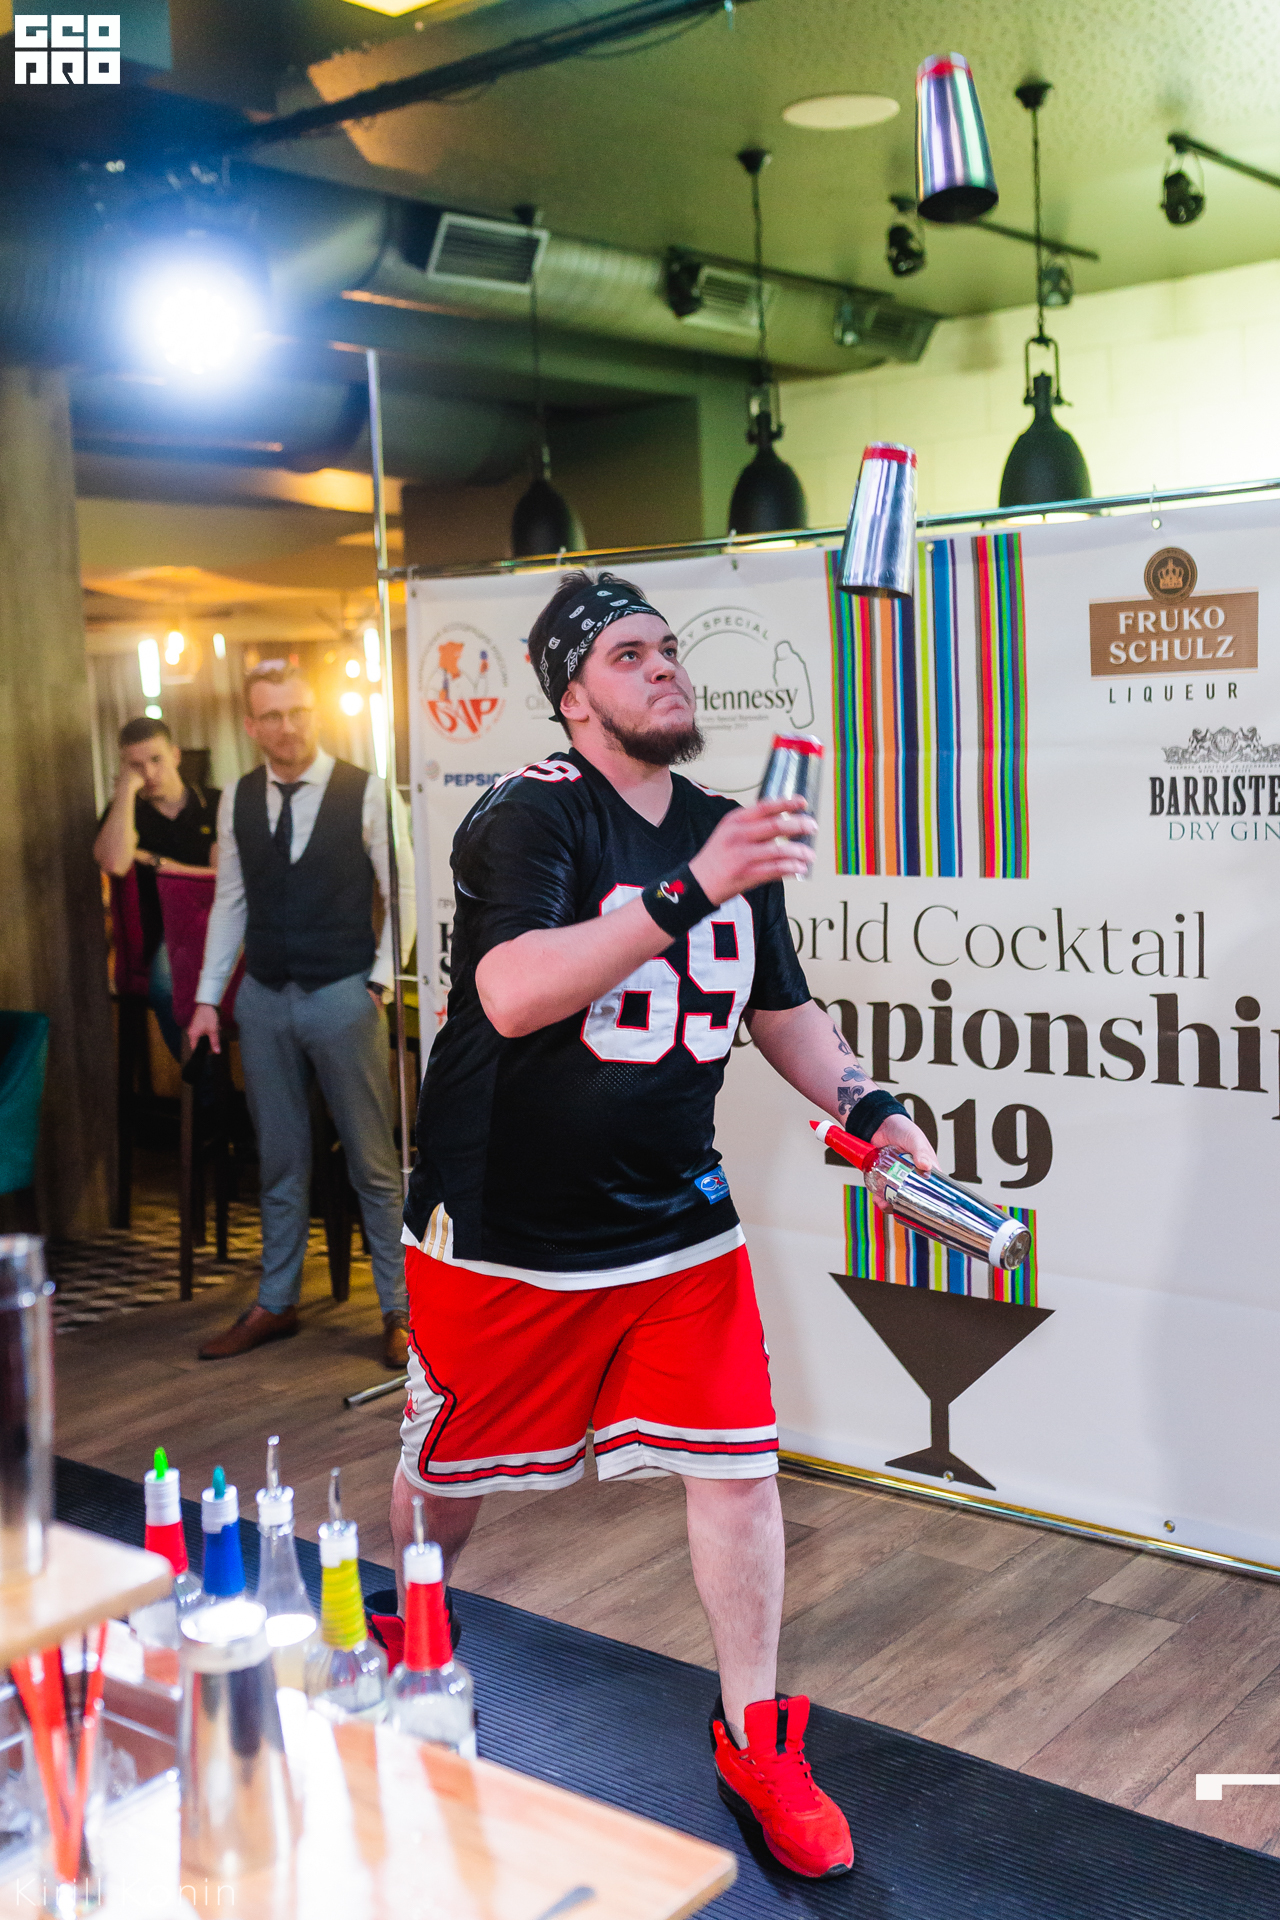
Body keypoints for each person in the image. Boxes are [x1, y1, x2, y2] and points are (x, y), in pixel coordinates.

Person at [385, 572, 937, 1878]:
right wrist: (689, 889)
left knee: (738, 1469)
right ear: (572, 694)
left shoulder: (716, 830)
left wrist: (871, 1106)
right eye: (629, 654)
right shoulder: (527, 814)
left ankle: (754, 1734)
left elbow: (780, 1007)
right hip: (507, 1224)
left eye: (670, 648)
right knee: (449, 1480)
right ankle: (405, 1645)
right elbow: (512, 992)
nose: (665, 667)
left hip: (675, 1219)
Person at [187, 662, 415, 1369]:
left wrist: (379, 983)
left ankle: (402, 1312)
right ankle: (276, 1301)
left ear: (314, 714)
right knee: (279, 1161)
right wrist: (207, 998)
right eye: (273, 716)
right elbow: (230, 901)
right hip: (263, 997)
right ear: (251, 726)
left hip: (344, 993)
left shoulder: (367, 790)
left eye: (298, 712)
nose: (288, 727)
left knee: (374, 1166)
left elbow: (403, 892)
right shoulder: (237, 797)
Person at [93, 716, 219, 1062]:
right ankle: (203, 1081)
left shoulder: (214, 801)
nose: (148, 773)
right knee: (167, 988)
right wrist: (124, 792)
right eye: (135, 765)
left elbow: (222, 875)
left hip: (222, 917)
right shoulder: (125, 812)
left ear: (175, 755)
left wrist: (158, 862)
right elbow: (114, 862)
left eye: (156, 760)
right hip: (166, 929)